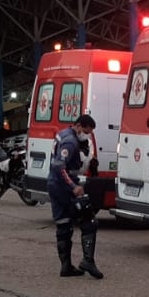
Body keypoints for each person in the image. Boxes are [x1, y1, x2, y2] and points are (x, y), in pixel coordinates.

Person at [48, 113, 103, 279]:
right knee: (89, 220)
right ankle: (88, 261)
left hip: (54, 185)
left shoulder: (63, 134)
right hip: (65, 187)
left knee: (63, 225)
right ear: (78, 126)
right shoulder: (71, 142)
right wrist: (73, 186)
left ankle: (66, 267)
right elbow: (60, 166)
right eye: (86, 131)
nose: (87, 135)